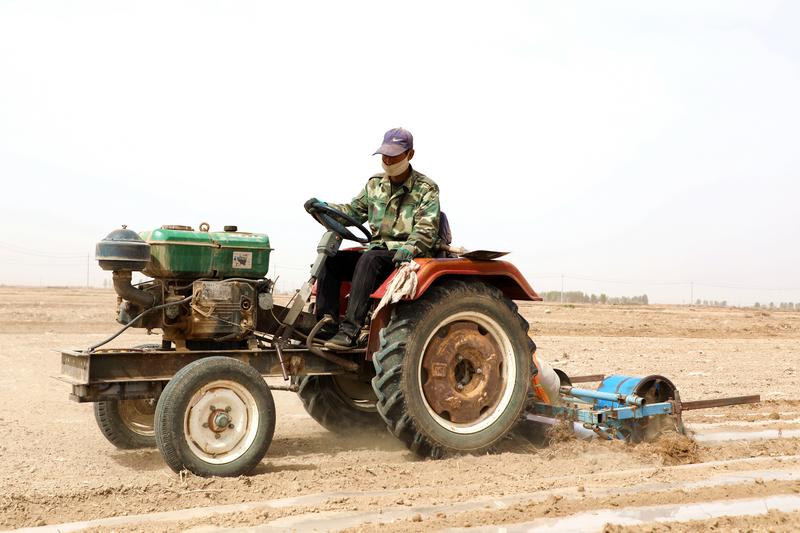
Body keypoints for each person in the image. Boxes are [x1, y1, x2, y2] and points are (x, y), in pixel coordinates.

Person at [304, 127, 441, 348]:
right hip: (377, 251)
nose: (388, 160)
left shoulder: (426, 188)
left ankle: (350, 331)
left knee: (369, 260)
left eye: (394, 155)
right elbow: (352, 211)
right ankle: (327, 325)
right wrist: (324, 208)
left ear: (410, 155)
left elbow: (427, 229)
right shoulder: (375, 184)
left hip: (407, 255)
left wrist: (411, 246)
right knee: (332, 261)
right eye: (385, 155)